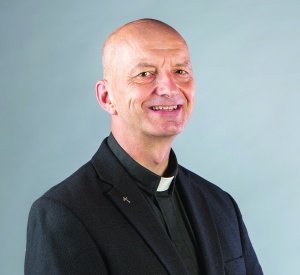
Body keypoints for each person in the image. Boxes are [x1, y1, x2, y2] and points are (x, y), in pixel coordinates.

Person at [25, 18, 263, 275]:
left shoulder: (220, 204)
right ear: (107, 97)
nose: (170, 89)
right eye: (145, 74)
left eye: (180, 71)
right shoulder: (64, 214)